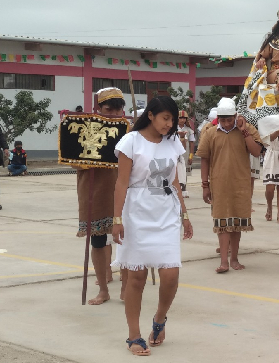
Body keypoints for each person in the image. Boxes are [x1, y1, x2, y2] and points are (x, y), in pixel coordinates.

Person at [112, 96, 193, 356]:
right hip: (136, 211)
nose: (169, 124)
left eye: (172, 119)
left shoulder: (173, 142)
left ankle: (160, 319)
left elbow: (176, 182)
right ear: (151, 115)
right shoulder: (131, 142)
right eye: (165, 118)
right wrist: (117, 219)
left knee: (171, 274)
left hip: (165, 211)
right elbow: (121, 183)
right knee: (136, 277)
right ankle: (134, 336)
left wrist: (185, 214)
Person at [197, 98, 262, 273]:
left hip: (241, 183)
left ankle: (234, 258)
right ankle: (224, 261)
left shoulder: (247, 130)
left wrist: (244, 132)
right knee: (222, 222)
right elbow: (204, 159)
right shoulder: (210, 133)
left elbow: (256, 152)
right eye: (222, 120)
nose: (225, 123)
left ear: (235, 116)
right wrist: (205, 185)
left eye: (229, 119)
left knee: (237, 222)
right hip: (218, 184)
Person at [75, 87, 124, 305]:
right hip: (93, 191)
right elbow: (73, 159)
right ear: (98, 108)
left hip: (122, 191)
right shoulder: (83, 130)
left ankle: (126, 286)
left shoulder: (129, 132)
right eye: (108, 109)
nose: (113, 114)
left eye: (117, 110)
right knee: (97, 239)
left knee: (126, 240)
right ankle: (103, 289)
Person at [263, 125, 279, 222]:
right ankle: (269, 207)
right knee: (270, 188)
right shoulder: (270, 121)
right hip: (271, 155)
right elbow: (269, 138)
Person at [176, 110, 195, 198]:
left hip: (185, 153)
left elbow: (192, 143)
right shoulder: (173, 128)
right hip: (175, 152)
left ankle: (183, 188)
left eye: (184, 118)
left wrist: (191, 155)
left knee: (184, 172)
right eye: (180, 118)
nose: (182, 120)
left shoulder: (189, 130)